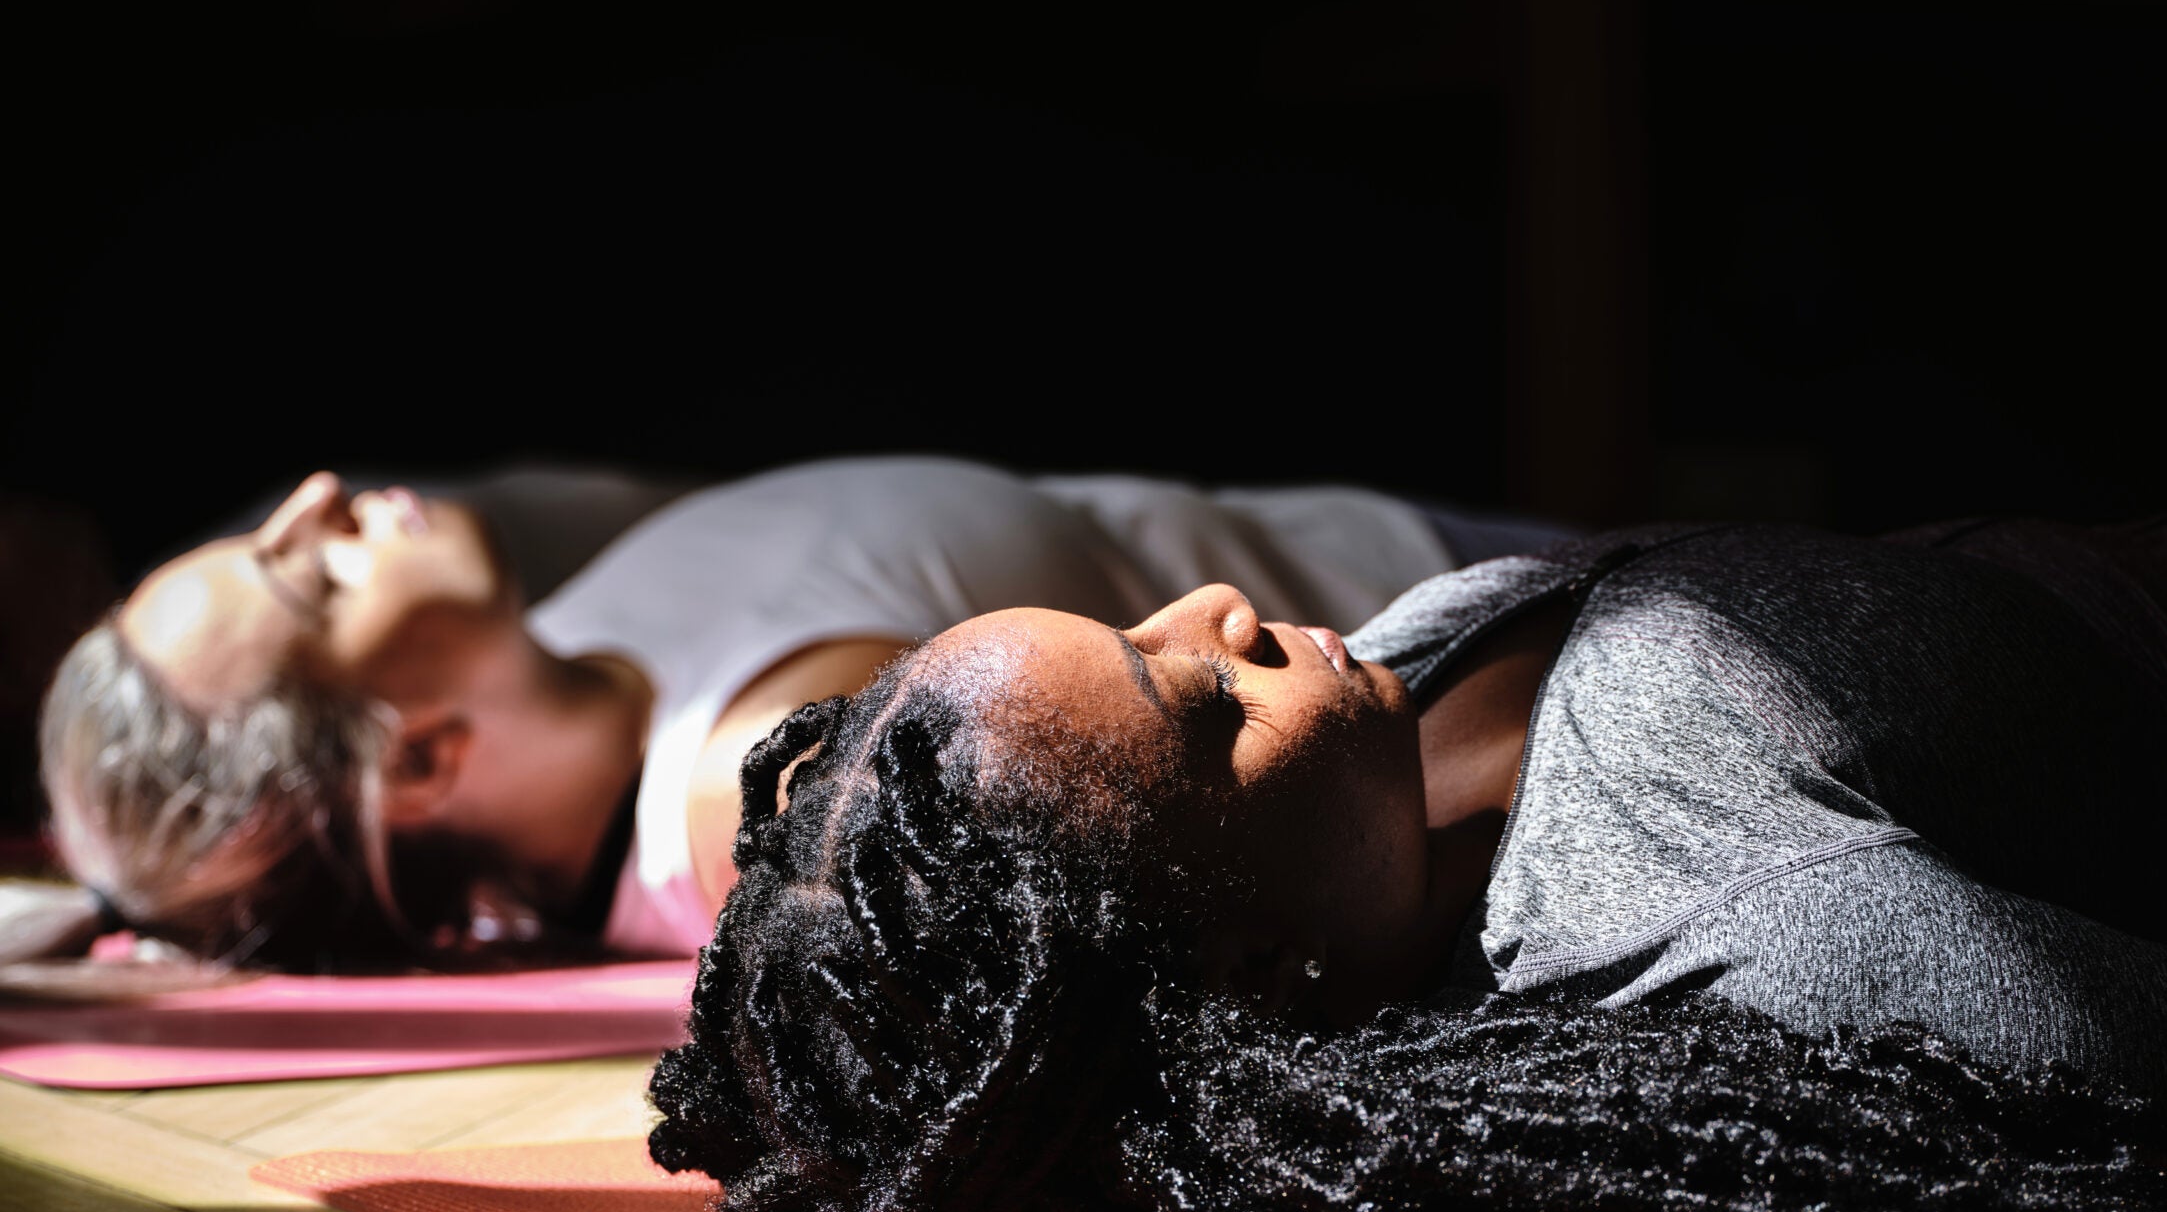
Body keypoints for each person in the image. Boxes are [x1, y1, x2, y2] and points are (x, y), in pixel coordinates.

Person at [645, 514, 2167, 1212]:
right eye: (1197, 703)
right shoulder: (1734, 917)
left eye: (1146, 620)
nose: (1219, 607)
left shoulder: (1385, 760)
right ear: (1271, 980)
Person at [14, 456, 1545, 974]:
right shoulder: (784, 793)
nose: (320, 498)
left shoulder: (579, 641)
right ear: (415, 759)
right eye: (304, 574)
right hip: (1485, 626)